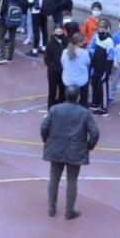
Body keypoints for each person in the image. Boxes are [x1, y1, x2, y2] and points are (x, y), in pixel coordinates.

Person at [41, 85, 100, 220]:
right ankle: (69, 211)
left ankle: (51, 208)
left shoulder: (55, 109)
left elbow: (44, 128)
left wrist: (48, 142)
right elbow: (95, 133)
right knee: (72, 180)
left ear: (66, 95)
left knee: (54, 178)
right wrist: (88, 146)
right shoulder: (84, 112)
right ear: (78, 96)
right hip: (76, 150)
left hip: (56, 148)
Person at [61, 33, 91, 107]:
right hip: (81, 81)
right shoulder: (84, 53)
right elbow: (87, 63)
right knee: (83, 102)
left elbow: (63, 63)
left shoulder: (65, 52)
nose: (84, 42)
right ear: (79, 42)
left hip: (68, 81)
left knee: (69, 102)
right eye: (83, 41)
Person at [45, 24, 68, 107]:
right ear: (54, 32)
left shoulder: (66, 41)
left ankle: (61, 106)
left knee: (63, 90)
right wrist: (53, 67)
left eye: (60, 31)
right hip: (53, 72)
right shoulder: (50, 43)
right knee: (52, 91)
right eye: (57, 32)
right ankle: (50, 109)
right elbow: (47, 59)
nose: (59, 33)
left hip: (64, 71)